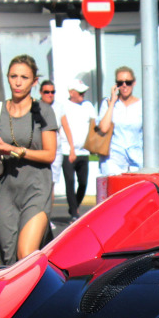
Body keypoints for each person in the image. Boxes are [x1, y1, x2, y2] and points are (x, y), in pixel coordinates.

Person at [0, 54, 58, 266]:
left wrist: (15, 150)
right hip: (5, 191)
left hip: (36, 188)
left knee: (26, 253)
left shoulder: (44, 111)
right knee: (9, 260)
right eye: (13, 76)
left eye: (24, 77)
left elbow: (50, 154)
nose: (18, 82)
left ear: (34, 81)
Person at [95, 65, 143, 175]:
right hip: (113, 159)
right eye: (120, 83)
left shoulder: (141, 105)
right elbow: (103, 128)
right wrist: (112, 103)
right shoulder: (108, 103)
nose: (124, 86)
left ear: (134, 83)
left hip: (136, 159)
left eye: (128, 82)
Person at [63, 78, 97, 217]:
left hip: (84, 151)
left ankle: (75, 206)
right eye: (80, 92)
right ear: (72, 92)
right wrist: (71, 149)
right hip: (67, 150)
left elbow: (94, 124)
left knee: (83, 183)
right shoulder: (63, 106)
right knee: (70, 182)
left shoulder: (88, 105)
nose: (83, 94)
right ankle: (74, 213)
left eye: (84, 92)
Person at [38, 79, 72, 200]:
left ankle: (47, 215)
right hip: (40, 149)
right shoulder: (36, 107)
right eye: (47, 92)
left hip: (55, 150)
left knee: (51, 183)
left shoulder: (59, 107)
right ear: (41, 92)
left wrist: (72, 149)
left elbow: (66, 127)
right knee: (41, 183)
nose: (50, 94)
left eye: (53, 92)